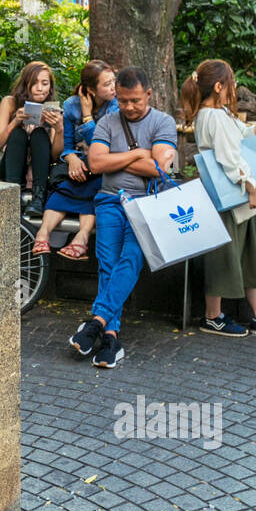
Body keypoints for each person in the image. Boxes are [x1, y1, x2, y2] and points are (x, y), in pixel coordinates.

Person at [68, 66, 177, 368]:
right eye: (124, 100)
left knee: (131, 259)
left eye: (136, 101)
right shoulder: (107, 121)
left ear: (149, 95)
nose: (129, 107)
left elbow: (160, 168)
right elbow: (95, 162)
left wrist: (114, 161)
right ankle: (111, 338)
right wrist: (137, 155)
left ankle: (96, 322)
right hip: (108, 202)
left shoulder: (163, 122)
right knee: (107, 263)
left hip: (146, 204)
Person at [181, 60, 256, 336]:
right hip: (232, 195)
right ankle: (213, 315)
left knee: (244, 253)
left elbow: (242, 140)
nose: (234, 90)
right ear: (219, 86)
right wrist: (253, 187)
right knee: (226, 253)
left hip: (233, 195)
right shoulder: (215, 116)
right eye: (230, 84)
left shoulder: (214, 114)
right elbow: (229, 158)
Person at [31, 60, 117, 259]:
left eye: (113, 81)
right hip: (77, 165)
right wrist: (71, 159)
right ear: (91, 90)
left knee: (92, 188)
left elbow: (101, 147)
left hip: (101, 166)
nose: (113, 87)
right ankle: (43, 233)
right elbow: (67, 145)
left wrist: (87, 116)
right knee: (65, 187)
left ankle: (82, 236)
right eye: (107, 84)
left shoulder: (115, 107)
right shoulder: (71, 105)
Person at [0, 61, 64, 214]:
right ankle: (13, 195)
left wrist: (58, 129)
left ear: (50, 87)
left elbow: (55, 155)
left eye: (45, 83)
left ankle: (39, 197)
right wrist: (15, 122)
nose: (40, 88)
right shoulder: (10, 103)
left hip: (40, 172)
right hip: (12, 170)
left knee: (39, 134)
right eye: (34, 83)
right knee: (18, 134)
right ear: (25, 85)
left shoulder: (52, 109)